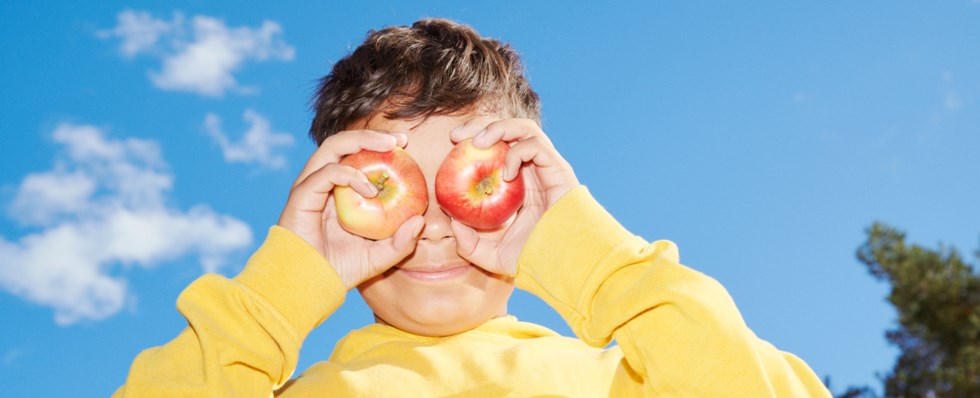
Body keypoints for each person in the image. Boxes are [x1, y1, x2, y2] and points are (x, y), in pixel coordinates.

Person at [114, 18, 831, 397]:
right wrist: (276, 295)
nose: (429, 226)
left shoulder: (629, 379)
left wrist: (596, 261)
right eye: (386, 189)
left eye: (464, 181)